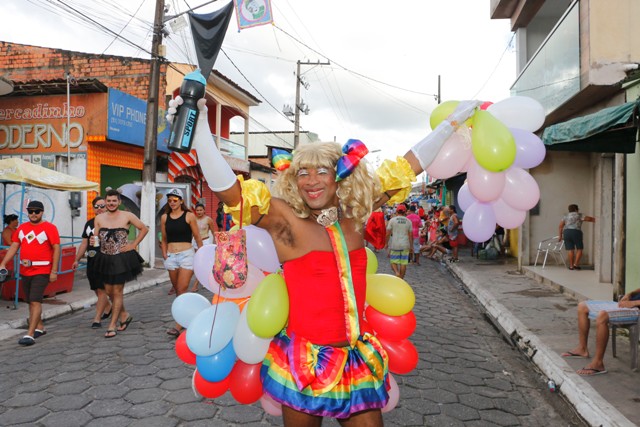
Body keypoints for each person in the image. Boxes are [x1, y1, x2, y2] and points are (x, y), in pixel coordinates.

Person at [168, 95, 480, 424]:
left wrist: (451, 124)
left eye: (322, 171)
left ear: (340, 176)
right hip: (303, 363)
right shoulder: (284, 221)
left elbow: (407, 167)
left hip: (355, 359)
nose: (312, 180)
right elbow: (230, 192)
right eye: (303, 172)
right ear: (293, 179)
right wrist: (201, 130)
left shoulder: (355, 215)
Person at [0, 201, 60, 346]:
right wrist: (2, 263)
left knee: (35, 300)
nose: (33, 214)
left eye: (37, 211)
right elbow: (14, 246)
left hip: (43, 270)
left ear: (42, 212)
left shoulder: (50, 228)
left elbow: (56, 249)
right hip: (25, 270)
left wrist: (54, 271)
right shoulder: (22, 228)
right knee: (29, 301)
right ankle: (40, 327)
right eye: (31, 211)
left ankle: (30, 334)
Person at [93, 189, 148, 338]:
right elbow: (96, 237)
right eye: (108, 201)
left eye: (114, 201)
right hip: (104, 258)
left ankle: (112, 325)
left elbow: (144, 229)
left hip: (121, 258)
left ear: (119, 202)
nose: (111, 204)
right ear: (105, 202)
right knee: (109, 292)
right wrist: (93, 241)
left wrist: (133, 244)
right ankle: (124, 314)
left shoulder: (127, 215)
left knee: (117, 291)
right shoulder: (99, 218)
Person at [561, 290, 640, 376]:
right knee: (582, 306)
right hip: (629, 304)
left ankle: (598, 364)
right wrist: (630, 294)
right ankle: (582, 349)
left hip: (636, 309)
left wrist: (634, 303)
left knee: (603, 316)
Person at [161, 188, 203, 337]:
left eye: (175, 200)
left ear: (181, 201)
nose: (172, 202)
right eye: (170, 200)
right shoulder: (165, 217)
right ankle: (187, 316)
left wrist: (201, 254)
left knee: (181, 288)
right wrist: (165, 254)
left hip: (187, 255)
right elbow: (164, 238)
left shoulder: (189, 216)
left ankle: (178, 325)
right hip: (171, 257)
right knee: (177, 290)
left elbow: (197, 237)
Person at [72, 196, 112, 328]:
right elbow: (84, 243)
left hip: (107, 260)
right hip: (92, 260)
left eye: (102, 206)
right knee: (96, 288)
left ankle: (97, 318)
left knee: (101, 290)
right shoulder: (89, 223)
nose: (99, 209)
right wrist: (77, 259)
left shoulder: (112, 222)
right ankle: (108, 307)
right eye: (97, 206)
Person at [558, 204, 595, 270]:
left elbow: (560, 226)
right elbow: (590, 219)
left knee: (570, 249)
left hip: (566, 232)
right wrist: (596, 219)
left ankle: (571, 266)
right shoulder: (579, 215)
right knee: (579, 248)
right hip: (576, 232)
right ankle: (576, 264)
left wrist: (560, 236)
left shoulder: (565, 216)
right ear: (576, 209)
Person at [386, 204, 413, 278]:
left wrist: (386, 243)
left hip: (395, 244)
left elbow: (388, 233)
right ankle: (401, 278)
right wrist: (411, 246)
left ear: (397, 211)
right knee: (403, 263)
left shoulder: (392, 220)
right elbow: (410, 235)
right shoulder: (408, 221)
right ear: (405, 212)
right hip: (405, 244)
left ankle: (397, 272)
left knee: (393, 261)